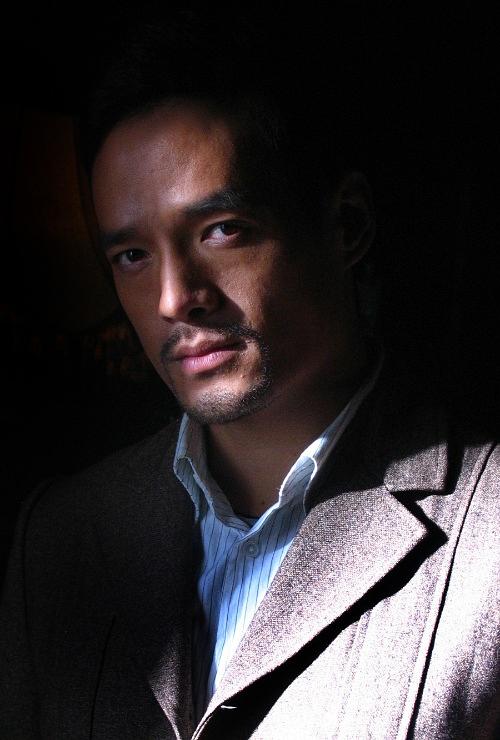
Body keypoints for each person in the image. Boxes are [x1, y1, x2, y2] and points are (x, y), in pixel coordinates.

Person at [1, 19, 498, 740]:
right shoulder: (61, 535)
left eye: (222, 230)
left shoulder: (485, 534)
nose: (175, 298)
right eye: (133, 255)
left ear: (347, 225)